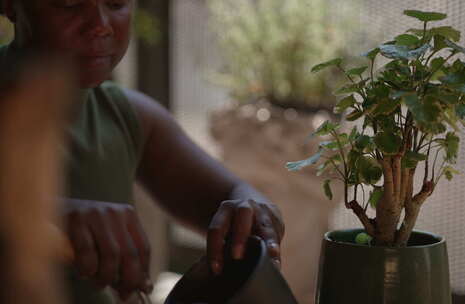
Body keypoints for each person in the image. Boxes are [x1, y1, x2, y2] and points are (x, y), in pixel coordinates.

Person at [0, 0, 285, 303]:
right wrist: (41, 217)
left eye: (117, 3)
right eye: (69, 4)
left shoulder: (128, 117)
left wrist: (251, 211)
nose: (100, 24)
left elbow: (237, 194)